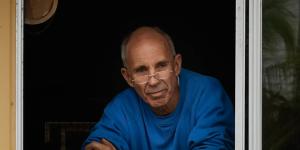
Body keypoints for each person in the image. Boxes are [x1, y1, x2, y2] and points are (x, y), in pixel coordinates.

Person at [82, 26, 234, 150]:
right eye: (142, 70)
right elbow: (98, 145)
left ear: (176, 65)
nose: (153, 81)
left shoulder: (207, 93)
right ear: (128, 77)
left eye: (161, 66)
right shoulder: (121, 108)